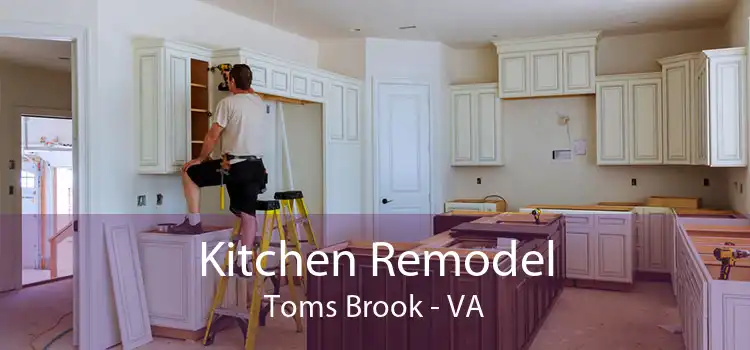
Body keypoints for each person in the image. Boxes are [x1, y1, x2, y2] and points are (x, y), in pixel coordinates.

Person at [170, 64, 267, 258]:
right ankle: (244, 261)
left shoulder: (227, 103)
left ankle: (194, 222)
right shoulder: (258, 101)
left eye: (229, 80)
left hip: (233, 166)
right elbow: (247, 89)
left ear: (231, 81)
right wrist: (235, 77)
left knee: (189, 173)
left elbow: (213, 135)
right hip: (257, 168)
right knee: (248, 214)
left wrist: (201, 158)